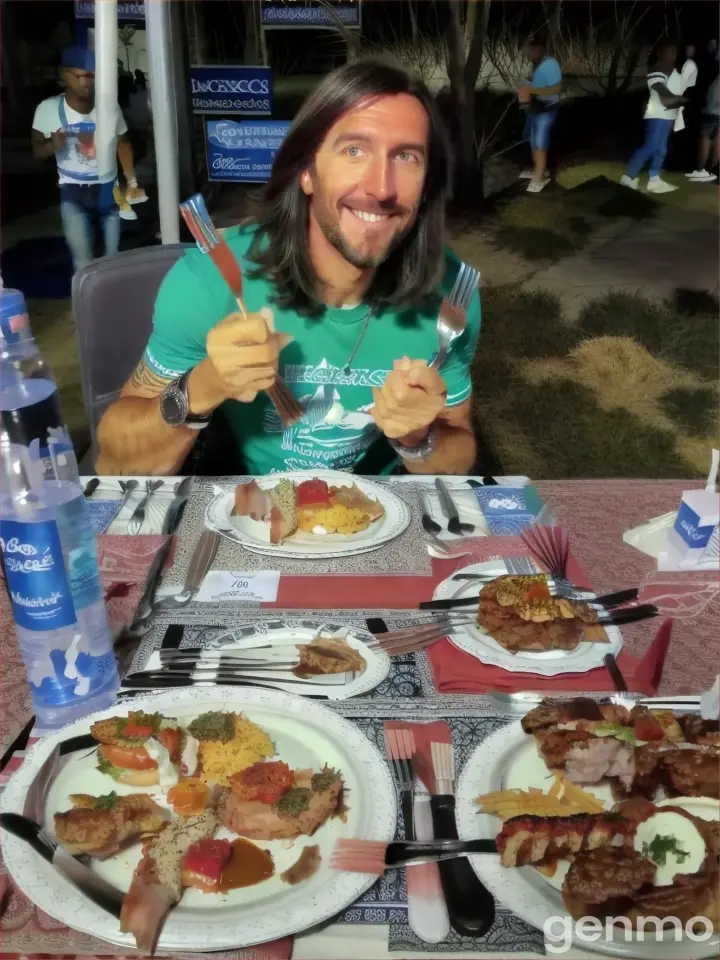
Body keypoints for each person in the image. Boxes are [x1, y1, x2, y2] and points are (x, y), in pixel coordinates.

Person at [96, 59, 480, 478]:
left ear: (426, 185)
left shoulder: (448, 297)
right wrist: (200, 389)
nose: (381, 188)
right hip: (245, 512)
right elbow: (114, 461)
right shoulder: (210, 281)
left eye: (406, 156)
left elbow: (458, 452)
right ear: (307, 173)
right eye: (354, 150)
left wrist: (418, 438)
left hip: (377, 517)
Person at [31, 46, 142, 272]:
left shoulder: (109, 107)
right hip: (73, 191)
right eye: (82, 76)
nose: (88, 82)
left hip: (109, 189)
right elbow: (36, 152)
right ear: (65, 75)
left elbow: (123, 143)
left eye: (93, 76)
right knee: (82, 262)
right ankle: (86, 305)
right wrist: (52, 144)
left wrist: (132, 182)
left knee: (114, 260)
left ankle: (112, 304)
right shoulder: (49, 109)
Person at [621, 40, 688, 193]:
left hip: (668, 116)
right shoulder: (658, 68)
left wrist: (677, 101)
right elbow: (664, 97)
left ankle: (654, 179)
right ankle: (628, 177)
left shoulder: (670, 69)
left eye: (675, 51)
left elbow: (671, 96)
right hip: (658, 115)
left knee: (661, 148)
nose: (673, 54)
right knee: (651, 146)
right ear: (660, 53)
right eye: (669, 51)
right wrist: (680, 100)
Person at [517, 36, 563, 194]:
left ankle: (540, 177)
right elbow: (539, 84)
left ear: (538, 49)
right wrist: (527, 87)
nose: (526, 55)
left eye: (528, 51)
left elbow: (557, 89)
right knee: (531, 139)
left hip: (546, 109)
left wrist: (532, 90)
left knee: (539, 141)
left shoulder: (550, 64)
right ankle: (538, 169)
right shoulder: (537, 64)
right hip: (534, 108)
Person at [685, 75, 719, 182]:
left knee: (705, 138)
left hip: (711, 111)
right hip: (714, 111)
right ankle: (713, 171)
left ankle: (701, 170)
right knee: (717, 140)